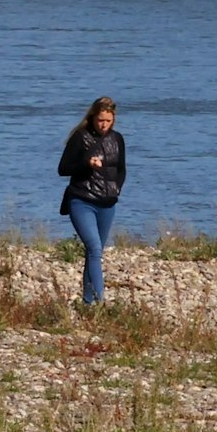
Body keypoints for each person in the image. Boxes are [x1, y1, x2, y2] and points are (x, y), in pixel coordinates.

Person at [59, 96, 127, 305]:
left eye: (108, 121)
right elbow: (63, 169)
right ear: (92, 118)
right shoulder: (80, 137)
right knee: (95, 247)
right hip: (82, 199)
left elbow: (121, 169)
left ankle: (88, 303)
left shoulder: (117, 139)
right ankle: (99, 301)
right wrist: (86, 164)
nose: (104, 125)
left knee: (94, 253)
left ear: (113, 119)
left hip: (107, 203)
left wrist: (117, 189)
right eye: (100, 120)